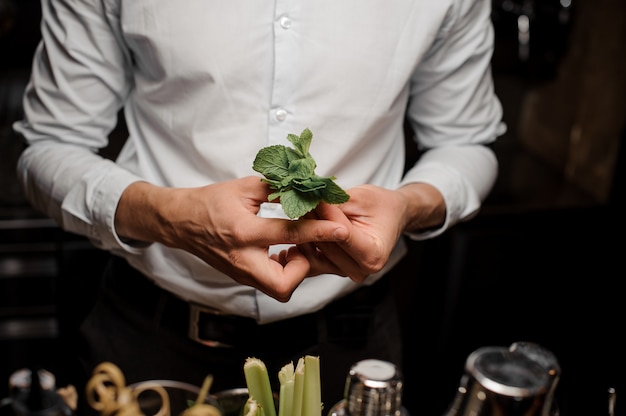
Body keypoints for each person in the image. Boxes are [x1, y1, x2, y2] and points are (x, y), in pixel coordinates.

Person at [13, 0, 505, 413]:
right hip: (150, 335)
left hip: (349, 346)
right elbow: (49, 146)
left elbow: (467, 142)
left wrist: (408, 205)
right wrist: (167, 215)